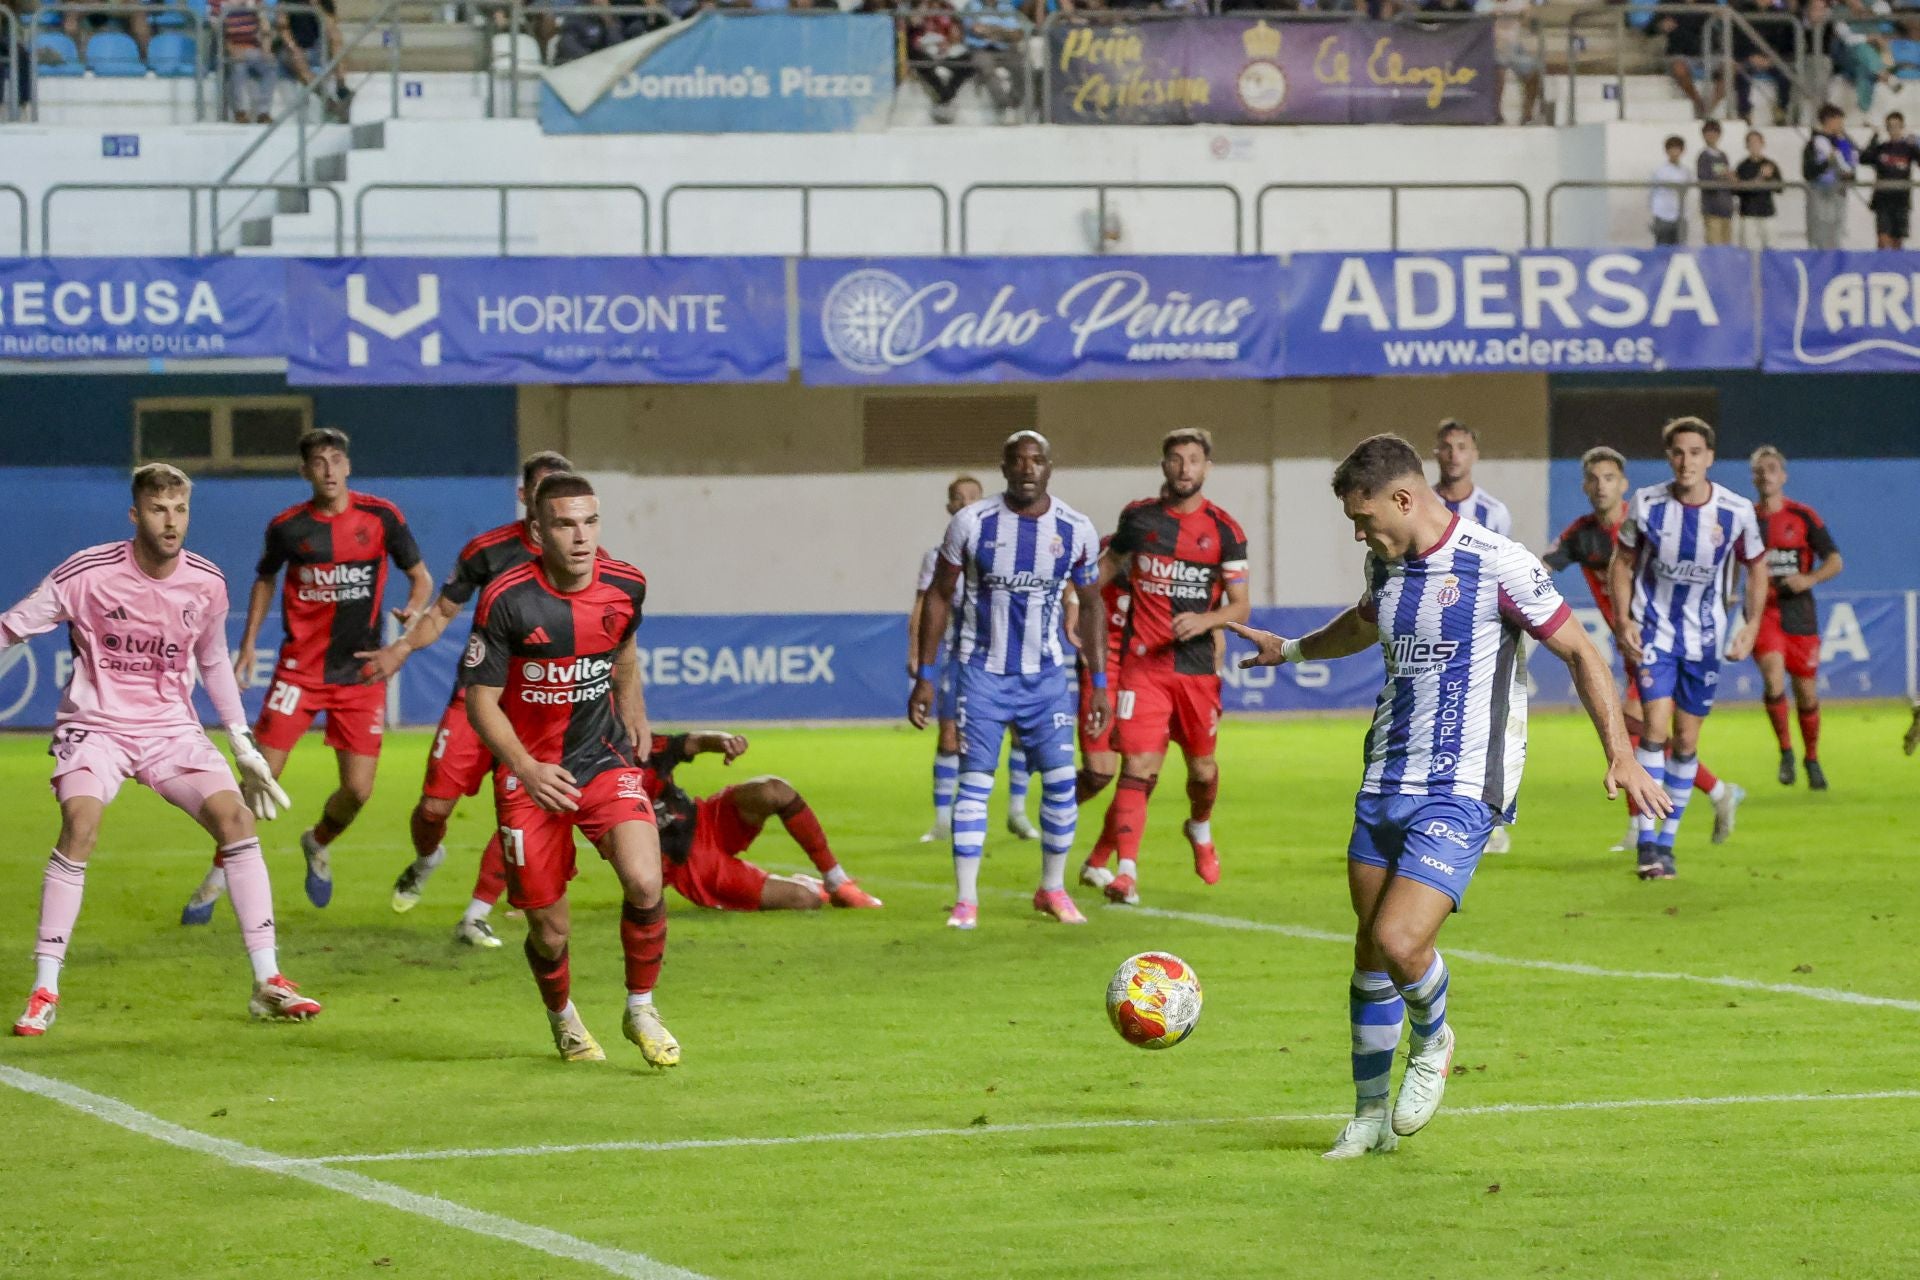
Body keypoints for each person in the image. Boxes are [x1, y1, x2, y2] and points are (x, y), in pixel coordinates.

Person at [1230, 434, 1666, 1161]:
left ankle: (1434, 1040)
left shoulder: (1500, 564)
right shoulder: (1388, 565)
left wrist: (1619, 754)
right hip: (1385, 777)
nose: (1360, 533)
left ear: (1404, 498)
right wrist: (1294, 650)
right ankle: (1369, 1117)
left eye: (1364, 519)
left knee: (1404, 940)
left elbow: (1582, 653)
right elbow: (1364, 623)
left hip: (1462, 786)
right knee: (1371, 952)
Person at [4, 464, 321, 1036]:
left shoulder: (207, 582)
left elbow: (214, 661)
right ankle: (44, 987)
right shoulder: (87, 573)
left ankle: (269, 980)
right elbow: (11, 628)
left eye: (179, 509)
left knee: (236, 819)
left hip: (170, 730)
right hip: (96, 727)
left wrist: (241, 741)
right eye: (158, 509)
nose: (170, 521)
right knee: (81, 825)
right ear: (135, 514)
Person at [466, 472, 677, 1067]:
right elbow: (481, 701)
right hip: (528, 776)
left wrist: (634, 710)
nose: (581, 537)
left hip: (601, 757)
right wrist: (527, 768)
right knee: (550, 930)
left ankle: (641, 1008)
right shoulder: (507, 598)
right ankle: (563, 1018)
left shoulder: (626, 584)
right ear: (537, 531)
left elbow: (625, 651)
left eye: (590, 521)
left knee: (644, 881)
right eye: (564, 523)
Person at [182, 428, 433, 923]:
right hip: (300, 673)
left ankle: (317, 842)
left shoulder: (382, 517)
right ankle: (215, 879)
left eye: (336, 459)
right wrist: (250, 643)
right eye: (318, 462)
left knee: (358, 791)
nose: (328, 470)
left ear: (348, 466)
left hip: (360, 672)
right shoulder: (288, 527)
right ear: (304, 472)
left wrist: (414, 610)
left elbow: (420, 577)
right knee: (261, 775)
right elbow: (264, 578)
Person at [354, 451, 575, 949]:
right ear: (525, 498)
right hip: (477, 698)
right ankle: (429, 856)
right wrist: (402, 647)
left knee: (524, 807)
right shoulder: (488, 551)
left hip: (539, 708)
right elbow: (441, 612)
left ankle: (476, 913)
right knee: (433, 807)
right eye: (542, 494)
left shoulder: (581, 556)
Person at [908, 431, 1109, 929]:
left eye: (1036, 460)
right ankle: (967, 900)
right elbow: (937, 596)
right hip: (981, 677)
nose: (1026, 469)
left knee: (1062, 783)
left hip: (1045, 678)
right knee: (975, 782)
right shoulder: (972, 523)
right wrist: (927, 676)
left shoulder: (1075, 528)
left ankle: (1052, 889)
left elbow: (1092, 604)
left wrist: (1100, 681)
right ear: (1003, 467)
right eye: (1017, 461)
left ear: (1049, 467)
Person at [1543, 446, 1745, 850]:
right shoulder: (1581, 535)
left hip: (1665, 638)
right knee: (1640, 730)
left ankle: (1647, 826)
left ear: (1624, 484)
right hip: (1630, 642)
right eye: (1594, 479)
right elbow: (1542, 567)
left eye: (1609, 478)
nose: (1602, 486)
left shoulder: (1648, 523)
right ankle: (1719, 792)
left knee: (1630, 726)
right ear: (1585, 486)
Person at [1080, 428, 1249, 907]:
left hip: (1196, 671)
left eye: (1193, 460)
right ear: (1164, 465)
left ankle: (1198, 826)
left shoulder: (1226, 531)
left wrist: (1206, 619)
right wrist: (1076, 600)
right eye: (1176, 459)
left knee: (1201, 769)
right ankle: (1125, 873)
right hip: (1142, 667)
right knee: (1138, 765)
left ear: (1207, 467)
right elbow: (1104, 572)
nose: (1184, 468)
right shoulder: (1139, 519)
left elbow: (1240, 607)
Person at [1607, 418, 1768, 880]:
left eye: (1695, 452)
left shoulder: (1735, 511)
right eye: (1678, 452)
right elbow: (1623, 562)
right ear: (1668, 457)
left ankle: (1667, 845)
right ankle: (1646, 841)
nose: (1686, 461)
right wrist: (1624, 620)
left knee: (1687, 741)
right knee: (1653, 728)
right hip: (1655, 633)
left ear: (1710, 458)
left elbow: (1756, 567)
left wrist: (1751, 625)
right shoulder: (1647, 503)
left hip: (1706, 637)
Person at [911, 474, 1040, 845]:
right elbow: (924, 606)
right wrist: (918, 655)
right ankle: (942, 820)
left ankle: (1017, 812)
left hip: (1012, 655)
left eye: (973, 497)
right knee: (949, 736)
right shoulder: (937, 557)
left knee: (1020, 733)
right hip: (962, 657)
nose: (966, 502)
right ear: (950, 506)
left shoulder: (1006, 548)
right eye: (958, 497)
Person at [643, 730, 883, 911]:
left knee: (774, 790)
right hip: (688, 863)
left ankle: (837, 880)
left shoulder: (641, 744)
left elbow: (693, 741)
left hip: (706, 819)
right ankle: (816, 889)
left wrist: (725, 741)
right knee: (804, 899)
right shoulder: (606, 774)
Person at [1749, 446, 1843, 790]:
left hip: (1800, 613)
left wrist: (1809, 578)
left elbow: (1835, 560)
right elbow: (1732, 562)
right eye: (1759, 470)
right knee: (1773, 678)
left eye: (1771, 469)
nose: (1765, 475)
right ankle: (1786, 751)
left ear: (1783, 476)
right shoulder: (1746, 518)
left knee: (1806, 693)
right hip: (1764, 612)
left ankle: (1812, 757)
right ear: (1753, 477)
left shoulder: (1803, 517)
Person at [1074, 535, 1129, 881]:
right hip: (1105, 665)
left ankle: (1097, 861)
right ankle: (1057, 806)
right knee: (1099, 773)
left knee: (1139, 775)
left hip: (1147, 670)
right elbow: (1081, 591)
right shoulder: (1114, 546)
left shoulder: (1182, 549)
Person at [1432, 420, 1512, 537]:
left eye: (1462, 447)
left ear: (1475, 455)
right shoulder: (1420, 505)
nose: (1453, 454)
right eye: (1446, 447)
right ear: (1437, 454)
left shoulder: (1495, 512)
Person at [1804, 104, 1858, 250]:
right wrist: (1828, 161)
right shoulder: (1814, 143)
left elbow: (1852, 164)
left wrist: (1850, 176)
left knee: (1837, 232)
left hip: (1839, 192)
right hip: (1820, 192)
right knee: (1820, 231)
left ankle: (1835, 264)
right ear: (1828, 120)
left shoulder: (1845, 141)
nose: (1841, 125)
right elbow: (1808, 172)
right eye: (1838, 121)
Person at [1862, 112, 1920, 248]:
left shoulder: (1908, 148)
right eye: (1890, 127)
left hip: (1901, 200)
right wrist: (1874, 137)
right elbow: (1863, 159)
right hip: (1883, 201)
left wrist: (1916, 144)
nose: (1894, 130)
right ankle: (1882, 266)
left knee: (1897, 242)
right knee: (1883, 239)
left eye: (1896, 126)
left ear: (1902, 127)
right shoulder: (1881, 148)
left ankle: (1895, 267)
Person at [1735, 130, 1784, 249]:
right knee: (1749, 248)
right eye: (1751, 143)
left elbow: (1780, 188)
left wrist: (1769, 177)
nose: (1754, 145)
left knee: (1772, 247)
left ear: (1762, 144)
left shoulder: (1770, 164)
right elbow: (1740, 190)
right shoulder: (1742, 166)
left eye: (1757, 142)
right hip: (1748, 214)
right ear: (1746, 146)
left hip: (1767, 212)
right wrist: (1760, 177)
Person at [1697, 120, 1736, 245]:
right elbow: (1704, 180)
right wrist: (1721, 176)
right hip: (1712, 209)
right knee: (1714, 247)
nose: (1711, 136)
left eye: (1714, 132)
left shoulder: (1723, 155)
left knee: (1727, 245)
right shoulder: (1703, 156)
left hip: (1726, 208)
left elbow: (1728, 180)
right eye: (1708, 132)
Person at [1651, 135, 1691, 246]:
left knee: (1680, 251)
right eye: (1671, 149)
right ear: (1666, 151)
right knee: (1662, 250)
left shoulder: (1686, 171)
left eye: (1677, 148)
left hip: (1681, 215)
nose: (1674, 152)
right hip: (1663, 215)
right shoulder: (1660, 171)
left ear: (1682, 151)